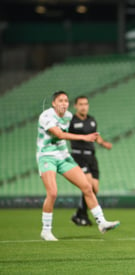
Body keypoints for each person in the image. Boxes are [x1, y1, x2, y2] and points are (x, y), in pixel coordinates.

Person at [36, 90, 120, 241]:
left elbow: (80, 130)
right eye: (60, 101)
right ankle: (46, 230)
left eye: (66, 101)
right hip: (47, 156)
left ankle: (101, 222)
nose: (63, 103)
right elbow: (60, 135)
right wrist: (84, 137)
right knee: (53, 193)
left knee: (87, 187)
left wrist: (100, 141)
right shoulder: (46, 116)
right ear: (54, 103)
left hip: (63, 156)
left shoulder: (68, 117)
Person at [69, 95, 113, 226]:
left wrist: (103, 143)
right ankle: (83, 215)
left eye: (86, 104)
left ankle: (79, 214)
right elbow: (63, 134)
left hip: (91, 156)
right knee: (87, 185)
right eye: (81, 104)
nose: (84, 107)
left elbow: (96, 136)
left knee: (94, 189)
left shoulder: (92, 120)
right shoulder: (71, 121)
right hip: (79, 156)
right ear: (75, 106)